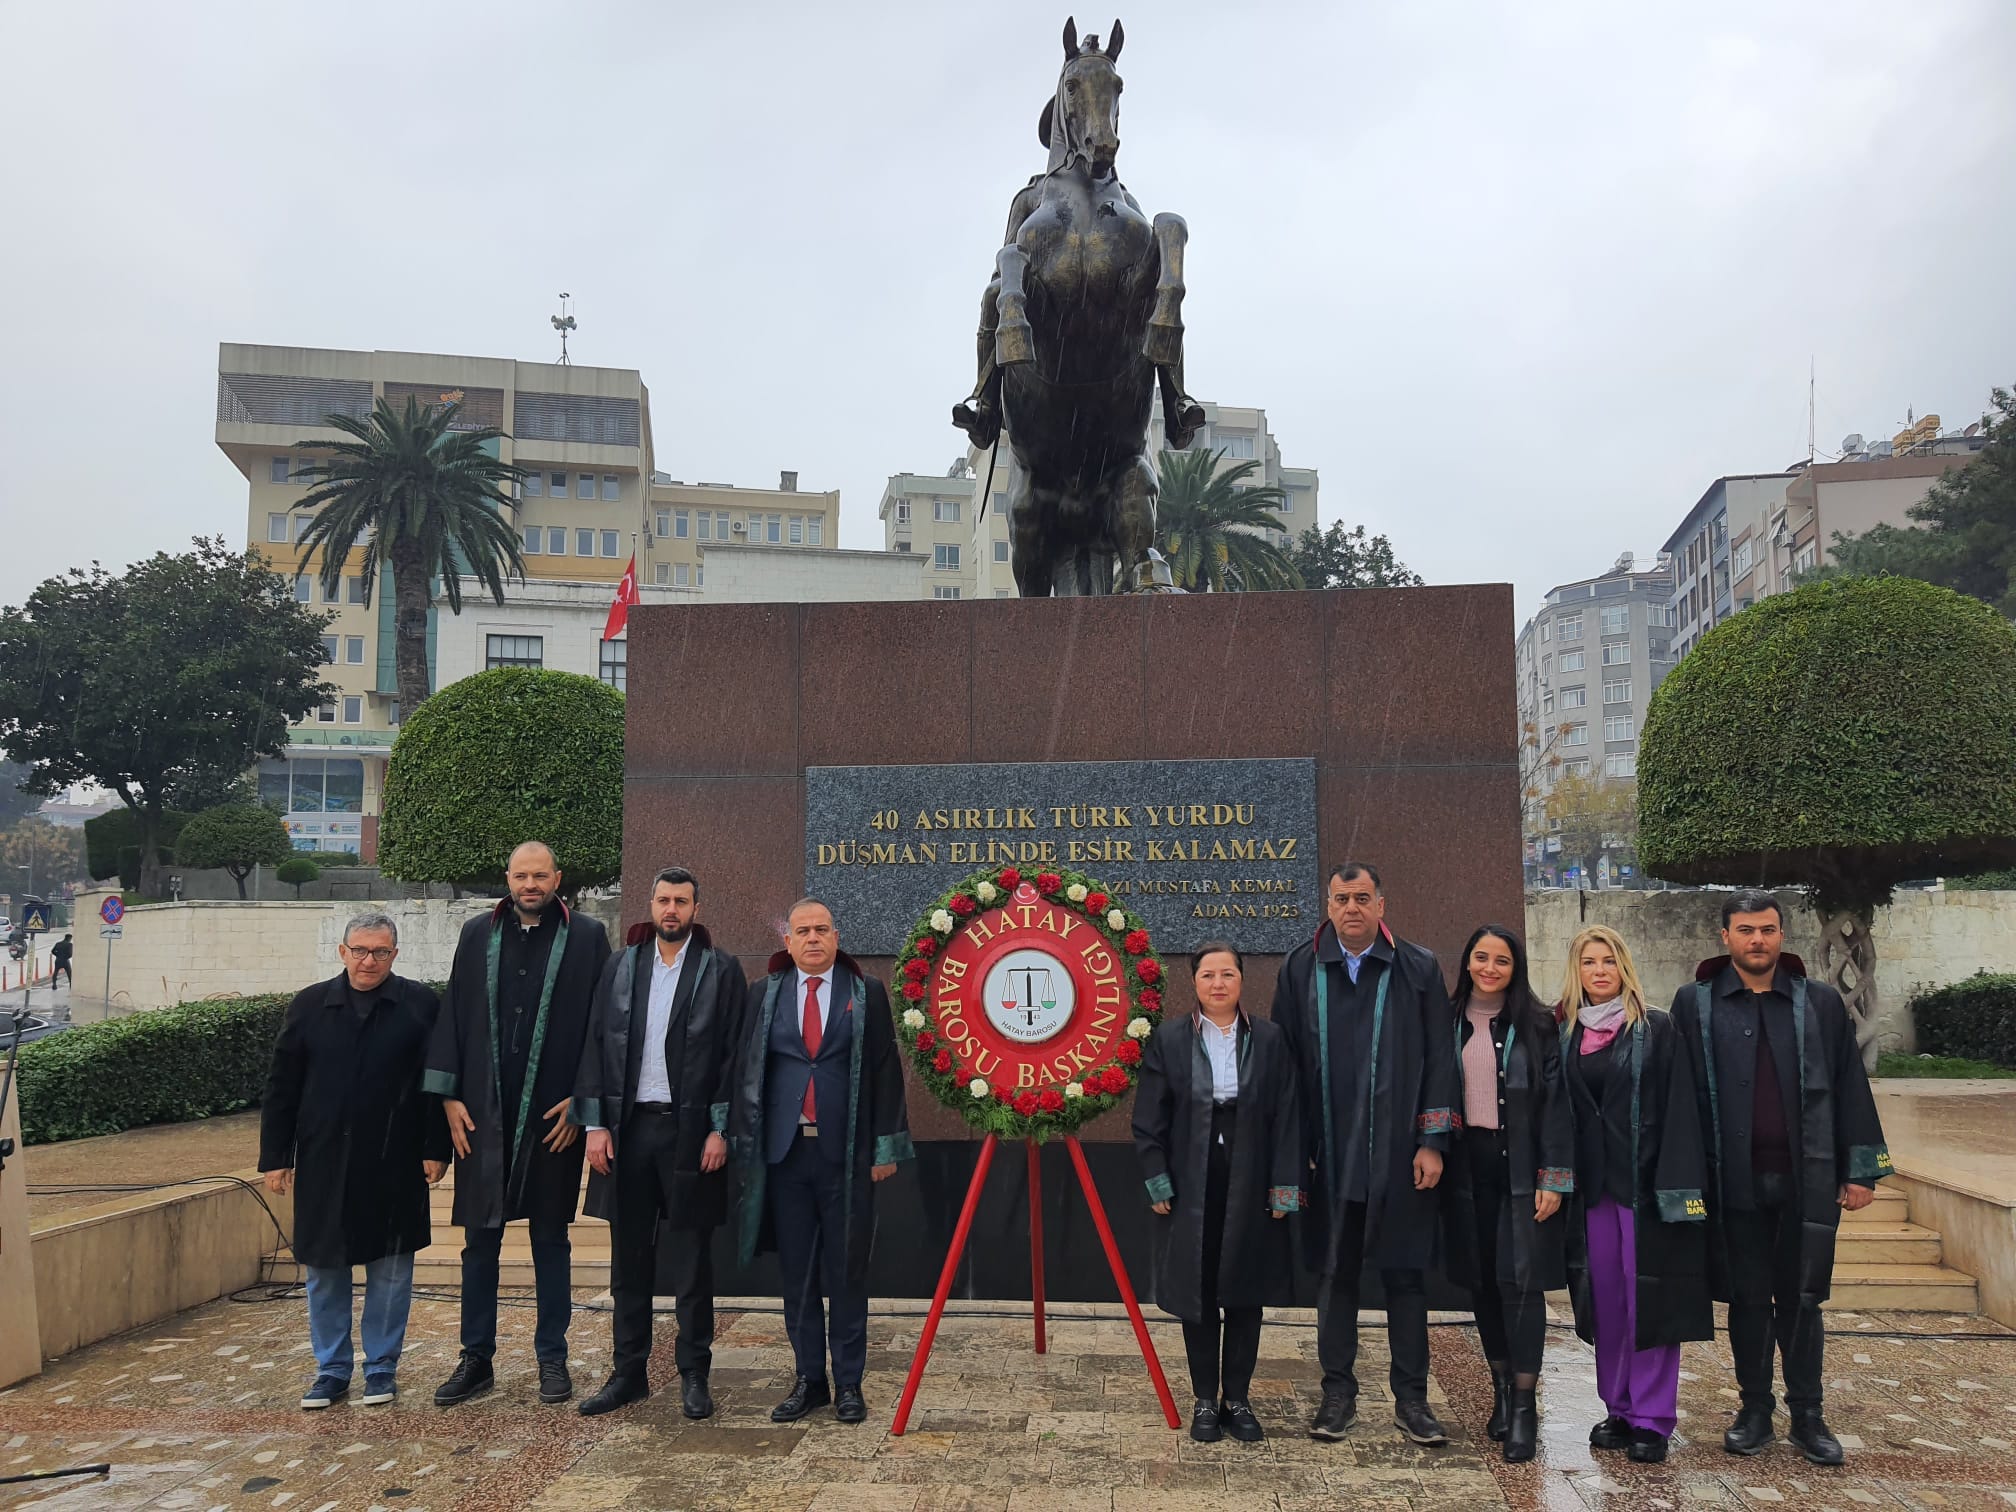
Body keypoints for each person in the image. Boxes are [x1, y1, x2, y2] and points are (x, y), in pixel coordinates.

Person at [1670, 890, 1890, 1467]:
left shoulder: (1817, 1002)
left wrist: (1860, 1168)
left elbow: (1848, 1086)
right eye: (1745, 930)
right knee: (1747, 1300)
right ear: (1726, 937)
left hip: (1805, 1179)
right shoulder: (1694, 1005)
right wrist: (1684, 1183)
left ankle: (1809, 1416)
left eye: (1767, 929)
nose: (1757, 940)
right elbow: (1680, 1098)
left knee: (1803, 1298)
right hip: (1732, 1180)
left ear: (1781, 934)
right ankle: (1754, 1409)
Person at [1274, 861, 1459, 1446]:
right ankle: (1338, 1394)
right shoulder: (1301, 967)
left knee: (1405, 1277)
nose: (1351, 908)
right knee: (1337, 1276)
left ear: (1382, 904)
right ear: (1327, 905)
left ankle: (1413, 1399)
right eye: (1340, 898)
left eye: (1362, 897)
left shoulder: (1417, 967)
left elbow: (1438, 1058)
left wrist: (1433, 1141)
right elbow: (1288, 1068)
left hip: (1400, 1154)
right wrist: (1297, 1148)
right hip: (1330, 1155)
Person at [424, 841, 611, 1408]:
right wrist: (450, 1098)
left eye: (540, 875)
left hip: (552, 1116)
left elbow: (601, 1024)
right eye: (521, 875)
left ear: (558, 877)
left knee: (551, 1239)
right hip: (483, 1110)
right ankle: (475, 1357)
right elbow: (454, 1010)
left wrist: (584, 1101)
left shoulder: (585, 938)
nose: (530, 884)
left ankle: (551, 1358)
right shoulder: (479, 934)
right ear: (508, 878)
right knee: (480, 1241)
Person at [571, 867, 747, 1419]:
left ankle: (694, 1372)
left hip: (691, 1132)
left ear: (697, 907)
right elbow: (596, 1044)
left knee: (692, 1260)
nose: (671, 910)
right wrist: (595, 1124)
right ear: (650, 903)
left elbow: (734, 1058)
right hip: (628, 1130)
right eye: (664, 899)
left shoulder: (720, 971)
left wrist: (721, 1128)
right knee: (629, 1261)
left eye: (682, 901)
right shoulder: (622, 966)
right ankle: (629, 1373)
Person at [728, 898, 912, 1425]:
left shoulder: (865, 993)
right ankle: (809, 1379)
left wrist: (885, 1147)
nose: (812, 938)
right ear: (787, 941)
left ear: (836, 937)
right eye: (802, 931)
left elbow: (885, 1071)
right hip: (785, 1157)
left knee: (847, 1270)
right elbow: (746, 1067)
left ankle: (849, 1383)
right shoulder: (764, 994)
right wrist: (743, 1139)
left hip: (846, 1157)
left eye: (822, 930)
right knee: (799, 1274)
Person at [259, 912, 450, 1409]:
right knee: (325, 1266)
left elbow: (437, 1083)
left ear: (395, 954)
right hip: (325, 1156)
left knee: (391, 1267)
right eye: (360, 951)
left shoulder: (420, 1004)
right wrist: (276, 1156)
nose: (369, 961)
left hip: (395, 1156)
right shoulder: (309, 1005)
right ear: (342, 952)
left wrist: (436, 1147)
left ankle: (382, 1367)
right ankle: (332, 1369)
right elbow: (283, 1086)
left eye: (380, 952)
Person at [1134, 941, 1302, 1444]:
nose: (1218, 983)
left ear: (1242, 980)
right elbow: (1149, 1119)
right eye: (1208, 975)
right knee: (1200, 1292)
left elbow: (1290, 1115)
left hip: (1251, 1175)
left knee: (1246, 1292)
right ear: (1195, 982)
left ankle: (1239, 1400)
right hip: (1192, 1175)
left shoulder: (1270, 1040)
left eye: (1228, 974)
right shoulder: (1170, 1039)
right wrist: (1157, 1178)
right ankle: (1206, 1400)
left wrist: (1285, 1188)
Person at [1560, 924, 1712, 1465]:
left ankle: (1652, 1417)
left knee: (1649, 1298)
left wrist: (1678, 1187)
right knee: (1609, 1302)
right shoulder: (1567, 1032)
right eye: (1588, 963)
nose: (1599, 971)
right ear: (1576, 972)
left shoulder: (1657, 1028)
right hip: (1595, 1191)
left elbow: (1679, 1111)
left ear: (1623, 966)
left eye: (1608, 961)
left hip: (1645, 1189)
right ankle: (1619, 1408)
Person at [1440, 925, 1572, 1463]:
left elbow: (1557, 1105)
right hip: (1464, 1172)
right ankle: (1498, 1392)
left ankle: (1524, 1406)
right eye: (1481, 957)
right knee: (1483, 1286)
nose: (1490, 968)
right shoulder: (1444, 1021)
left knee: (1520, 1286)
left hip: (1520, 1169)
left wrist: (1553, 1176)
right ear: (1467, 962)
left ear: (1515, 968)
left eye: (1501, 960)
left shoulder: (1537, 1025)